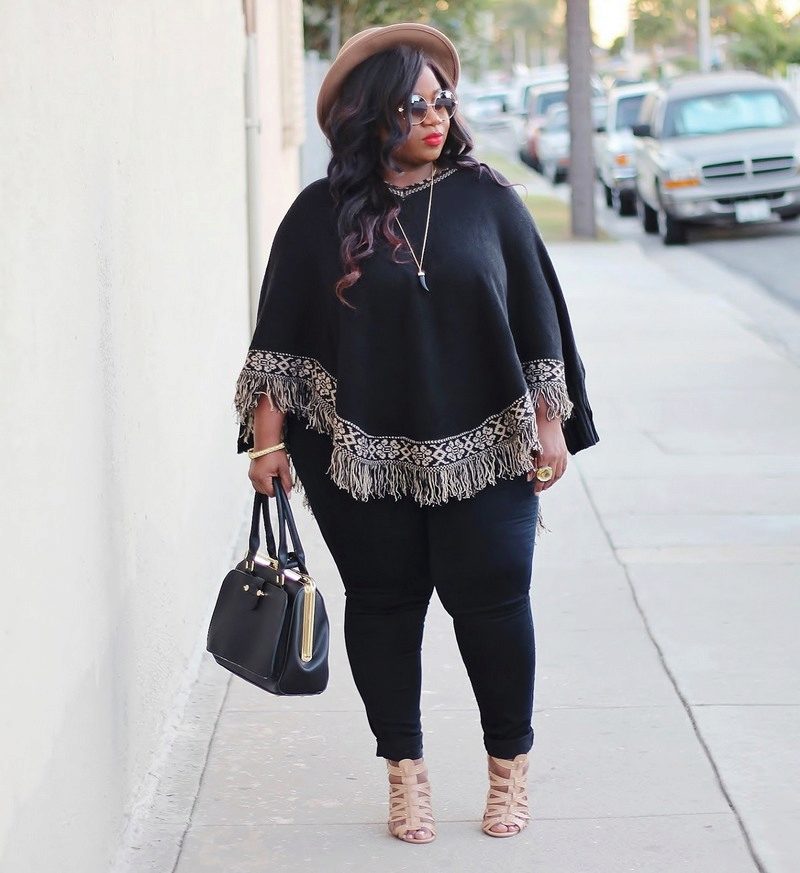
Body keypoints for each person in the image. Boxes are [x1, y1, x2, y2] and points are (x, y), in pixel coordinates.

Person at [233, 22, 598, 844]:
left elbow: (536, 317)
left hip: (487, 450)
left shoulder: (490, 199)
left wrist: (550, 425)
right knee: (385, 608)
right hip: (359, 459)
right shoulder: (318, 215)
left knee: (495, 602)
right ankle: (405, 775)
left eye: (443, 101)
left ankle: (508, 770)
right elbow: (279, 341)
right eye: (413, 105)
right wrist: (268, 443)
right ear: (371, 114)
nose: (436, 118)